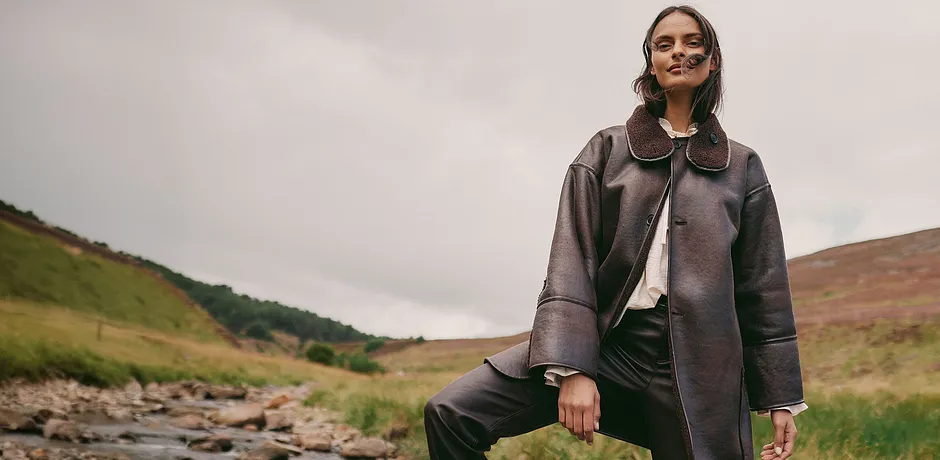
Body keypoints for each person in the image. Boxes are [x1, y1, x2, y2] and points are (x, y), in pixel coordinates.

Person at [424, 5, 807, 460]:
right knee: (452, 412)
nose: (678, 52)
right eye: (664, 45)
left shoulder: (742, 167)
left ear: (713, 60)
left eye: (691, 43)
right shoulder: (608, 149)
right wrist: (573, 368)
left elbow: (763, 289)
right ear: (652, 63)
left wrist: (779, 397)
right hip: (610, 345)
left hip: (704, 371)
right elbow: (572, 261)